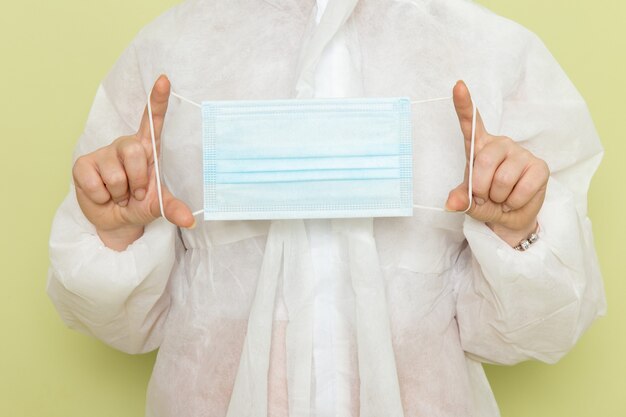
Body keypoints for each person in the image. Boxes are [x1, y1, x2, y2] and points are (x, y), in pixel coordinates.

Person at [46, 0, 606, 416]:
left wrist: (516, 230)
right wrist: (115, 236)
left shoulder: (492, 53)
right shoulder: (172, 49)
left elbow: (536, 331)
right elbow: (119, 325)